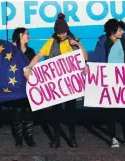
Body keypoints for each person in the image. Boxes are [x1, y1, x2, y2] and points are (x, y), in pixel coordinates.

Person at [24, 13, 88, 148]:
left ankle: (72, 138)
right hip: (57, 86)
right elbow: (39, 55)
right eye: (59, 34)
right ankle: (56, 139)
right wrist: (29, 67)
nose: (62, 36)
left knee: (71, 112)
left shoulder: (73, 40)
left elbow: (85, 57)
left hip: (71, 85)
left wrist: (77, 44)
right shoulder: (51, 41)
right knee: (56, 113)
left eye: (64, 33)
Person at [93, 18, 125, 148]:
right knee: (110, 111)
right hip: (109, 81)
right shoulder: (102, 42)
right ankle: (113, 137)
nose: (122, 32)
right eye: (119, 30)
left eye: (122, 29)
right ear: (112, 31)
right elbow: (97, 61)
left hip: (124, 80)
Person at [10, 27, 37, 147]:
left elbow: (36, 67)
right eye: (27, 34)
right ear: (20, 35)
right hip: (16, 87)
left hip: (29, 86)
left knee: (29, 112)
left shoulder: (31, 51)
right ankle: (19, 137)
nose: (29, 36)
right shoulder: (12, 50)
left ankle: (29, 137)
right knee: (17, 113)